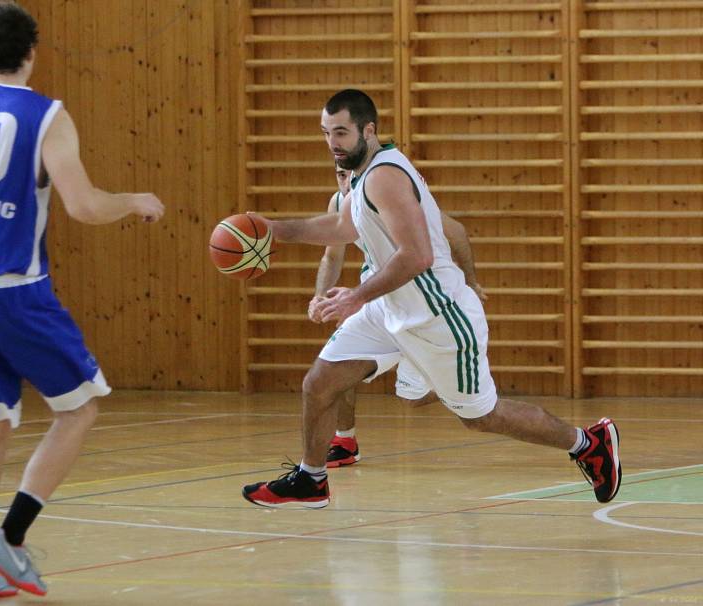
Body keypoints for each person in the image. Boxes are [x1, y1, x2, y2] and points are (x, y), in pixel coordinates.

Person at [242, 88, 620, 509]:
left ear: (369, 130)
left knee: (480, 416)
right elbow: (340, 228)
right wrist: (273, 228)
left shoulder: (385, 176)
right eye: (326, 132)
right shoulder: (365, 175)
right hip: (390, 310)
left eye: (341, 132)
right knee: (319, 383)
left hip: (438, 315)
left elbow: (418, 256)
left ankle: (587, 444)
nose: (332, 142)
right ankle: (312, 479)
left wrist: (356, 297)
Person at [0, 2, 164, 599]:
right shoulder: (47, 117)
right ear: (32, 51)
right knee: (79, 410)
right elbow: (83, 206)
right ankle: (9, 540)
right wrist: (133, 200)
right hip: (14, 291)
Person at [312, 164, 486, 468]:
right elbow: (331, 255)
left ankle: (453, 382)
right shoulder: (339, 203)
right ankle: (344, 440)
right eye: (339, 174)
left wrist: (471, 283)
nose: (346, 180)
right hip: (376, 298)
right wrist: (319, 295)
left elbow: (456, 231)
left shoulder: (395, 198)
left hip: (422, 301)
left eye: (349, 174)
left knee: (412, 398)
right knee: (337, 364)